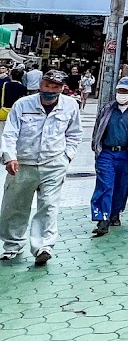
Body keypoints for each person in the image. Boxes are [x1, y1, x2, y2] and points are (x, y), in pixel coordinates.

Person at [0, 69, 82, 265]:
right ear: (40, 85)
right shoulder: (23, 104)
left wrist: (67, 157)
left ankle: (43, 247)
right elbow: (10, 133)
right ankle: (12, 245)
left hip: (53, 164)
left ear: (63, 88)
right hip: (23, 164)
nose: (50, 90)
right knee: (15, 206)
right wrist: (9, 157)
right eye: (47, 85)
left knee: (48, 206)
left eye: (55, 87)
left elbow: (75, 134)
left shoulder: (70, 106)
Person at [89, 77, 128, 237]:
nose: (121, 94)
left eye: (125, 91)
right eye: (119, 91)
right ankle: (102, 218)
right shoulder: (107, 108)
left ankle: (115, 212)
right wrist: (97, 147)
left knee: (122, 185)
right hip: (107, 153)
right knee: (105, 184)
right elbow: (98, 128)